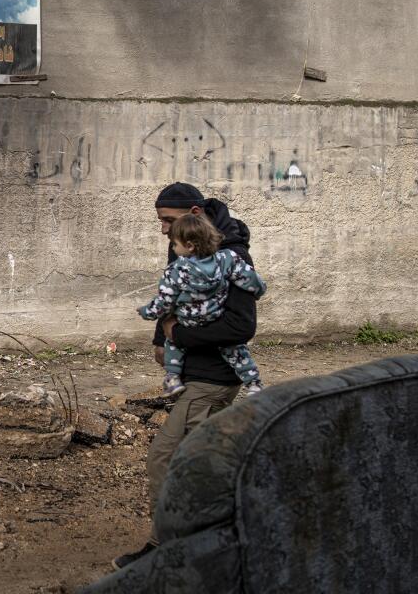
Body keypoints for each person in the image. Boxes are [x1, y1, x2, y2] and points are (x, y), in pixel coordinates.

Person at [112, 182, 259, 571]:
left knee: (166, 457)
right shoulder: (186, 241)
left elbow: (241, 326)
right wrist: (162, 337)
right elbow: (171, 294)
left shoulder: (232, 258)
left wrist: (180, 334)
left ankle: (168, 549)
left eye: (168, 220)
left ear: (195, 214)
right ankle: (219, 537)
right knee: (203, 460)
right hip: (197, 374)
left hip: (213, 379)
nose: (163, 230)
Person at [138, 212, 266, 397]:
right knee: (237, 351)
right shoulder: (226, 259)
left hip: (189, 321)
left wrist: (147, 312)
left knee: (173, 344)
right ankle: (253, 384)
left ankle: (173, 379)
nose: (173, 248)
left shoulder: (177, 270)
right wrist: (260, 289)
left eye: (175, 243)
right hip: (215, 317)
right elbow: (248, 278)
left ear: (189, 245)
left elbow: (165, 301)